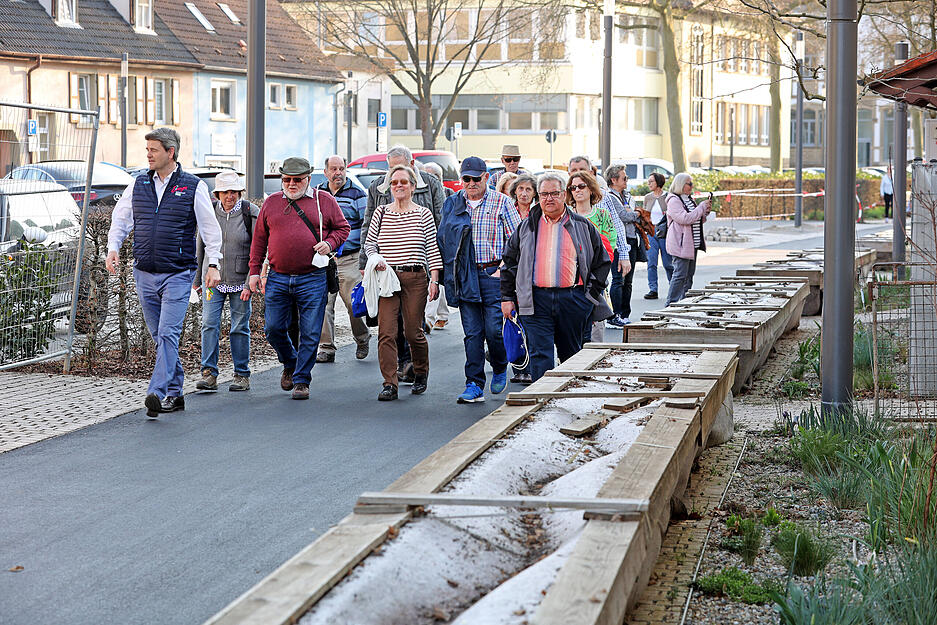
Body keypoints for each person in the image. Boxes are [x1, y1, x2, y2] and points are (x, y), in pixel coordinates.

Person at [105, 128, 223, 418]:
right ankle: (175, 392)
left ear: (170, 152)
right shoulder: (138, 185)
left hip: (178, 273)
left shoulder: (193, 186)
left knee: (169, 333)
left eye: (153, 150)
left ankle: (157, 391)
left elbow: (210, 229)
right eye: (147, 150)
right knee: (160, 336)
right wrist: (112, 247)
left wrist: (213, 264)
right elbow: (121, 218)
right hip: (144, 272)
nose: (148, 155)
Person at [248, 157, 349, 400]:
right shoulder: (271, 203)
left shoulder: (323, 200)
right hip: (278, 277)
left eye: (297, 180)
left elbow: (342, 228)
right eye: (286, 180)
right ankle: (291, 362)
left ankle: (302, 380)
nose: (291, 184)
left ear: (308, 179)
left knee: (311, 331)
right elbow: (259, 240)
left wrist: (330, 243)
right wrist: (253, 272)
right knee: (273, 329)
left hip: (312, 277)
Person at [500, 173, 611, 382]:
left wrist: (588, 297)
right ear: (538, 197)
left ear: (564, 195)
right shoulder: (527, 227)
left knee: (571, 356)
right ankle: (542, 406)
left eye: (554, 194)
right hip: (535, 301)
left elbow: (602, 262)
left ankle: (568, 405)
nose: (549, 199)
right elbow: (509, 262)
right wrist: (507, 297)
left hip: (572, 300)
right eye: (544, 194)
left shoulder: (582, 226)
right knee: (540, 356)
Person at [437, 156, 521, 403]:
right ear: (461, 179)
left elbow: (517, 242)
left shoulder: (502, 202)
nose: (472, 183)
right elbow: (444, 239)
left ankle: (498, 365)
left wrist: (503, 269)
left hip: (493, 274)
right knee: (472, 333)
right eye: (467, 178)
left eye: (476, 178)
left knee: (494, 330)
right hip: (464, 275)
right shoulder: (452, 204)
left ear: (486, 177)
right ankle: (473, 383)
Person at [360, 145, 446, 381]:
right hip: (388, 278)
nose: (398, 185)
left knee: (413, 332)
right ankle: (390, 382)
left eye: (403, 182)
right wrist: (372, 260)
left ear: (412, 185)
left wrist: (435, 280)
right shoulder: (381, 212)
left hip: (416, 278)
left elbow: (433, 246)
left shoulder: (423, 212)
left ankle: (420, 372)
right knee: (386, 333)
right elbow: (369, 241)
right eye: (394, 182)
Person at [193, 171, 260, 393]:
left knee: (239, 327)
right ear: (217, 194)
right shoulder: (209, 212)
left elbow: (259, 247)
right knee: (209, 324)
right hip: (212, 280)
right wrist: (197, 279)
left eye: (233, 191)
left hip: (241, 281)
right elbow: (200, 246)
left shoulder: (250, 212)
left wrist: (253, 277)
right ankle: (209, 374)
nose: (229, 196)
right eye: (225, 192)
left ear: (239, 192)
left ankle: (241, 374)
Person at [315, 155, 370, 363]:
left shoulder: (357, 194)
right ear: (326, 171)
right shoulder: (318, 194)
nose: (338, 173)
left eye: (341, 169)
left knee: (353, 304)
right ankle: (327, 347)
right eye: (334, 169)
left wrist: (366, 259)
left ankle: (362, 338)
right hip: (325, 260)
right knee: (323, 305)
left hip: (350, 259)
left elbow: (366, 227)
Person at [567, 170, 617, 343]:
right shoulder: (565, 216)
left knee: (595, 329)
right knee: (570, 330)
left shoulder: (602, 215)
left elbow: (609, 247)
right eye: (573, 188)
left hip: (595, 279)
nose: (577, 190)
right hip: (569, 281)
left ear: (591, 189)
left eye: (581, 186)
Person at [665, 172, 711, 306]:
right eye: (689, 183)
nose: (692, 186)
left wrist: (704, 212)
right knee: (679, 275)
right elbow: (685, 219)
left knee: (689, 276)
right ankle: (670, 304)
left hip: (692, 244)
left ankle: (685, 303)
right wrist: (701, 208)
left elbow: (695, 218)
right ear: (680, 184)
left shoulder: (689, 198)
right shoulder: (673, 200)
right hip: (680, 244)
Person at [603, 164, 640, 326]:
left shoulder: (627, 195)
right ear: (613, 180)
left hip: (631, 239)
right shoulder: (610, 197)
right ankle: (615, 314)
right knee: (618, 279)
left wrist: (635, 213)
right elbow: (624, 216)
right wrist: (637, 213)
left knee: (629, 280)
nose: (627, 180)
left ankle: (625, 313)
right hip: (618, 242)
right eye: (624, 178)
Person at [644, 172, 673, 300]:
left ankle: (673, 287)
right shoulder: (647, 197)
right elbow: (645, 215)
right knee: (651, 262)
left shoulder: (668, 197)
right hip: (651, 233)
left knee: (668, 263)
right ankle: (653, 289)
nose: (649, 184)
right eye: (648, 181)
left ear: (658, 183)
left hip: (665, 233)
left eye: (651, 181)